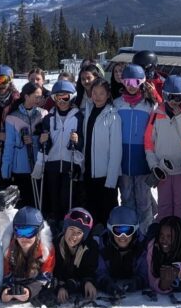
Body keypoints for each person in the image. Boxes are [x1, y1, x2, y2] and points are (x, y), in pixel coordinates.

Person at [145, 75, 181, 223]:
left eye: (178, 97)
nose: (173, 102)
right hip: (163, 170)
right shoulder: (156, 114)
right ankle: (164, 233)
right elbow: (148, 142)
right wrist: (154, 165)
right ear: (164, 95)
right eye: (170, 97)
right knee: (164, 206)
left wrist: (180, 117)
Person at [114, 64, 157, 233]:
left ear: (142, 82)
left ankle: (145, 234)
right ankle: (129, 233)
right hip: (123, 160)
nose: (131, 86)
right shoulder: (117, 104)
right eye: (128, 82)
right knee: (127, 199)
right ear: (123, 82)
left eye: (136, 82)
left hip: (142, 160)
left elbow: (156, 132)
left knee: (144, 201)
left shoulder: (149, 105)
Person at [38, 80, 85, 229]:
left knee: (67, 196)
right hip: (52, 162)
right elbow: (45, 141)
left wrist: (77, 141)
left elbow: (82, 142)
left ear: (72, 97)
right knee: (53, 194)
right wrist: (42, 141)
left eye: (65, 97)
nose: (61, 101)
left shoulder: (78, 116)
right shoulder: (49, 117)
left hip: (69, 162)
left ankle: (66, 223)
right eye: (57, 98)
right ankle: (54, 221)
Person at [81, 78, 122, 229]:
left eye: (101, 93)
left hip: (105, 175)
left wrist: (111, 179)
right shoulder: (88, 111)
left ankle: (108, 238)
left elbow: (116, 150)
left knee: (107, 212)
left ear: (108, 95)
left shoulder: (113, 116)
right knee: (92, 212)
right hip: (89, 171)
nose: (97, 97)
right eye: (95, 93)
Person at [1, 82, 47, 208]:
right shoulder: (12, 117)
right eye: (36, 96)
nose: (39, 99)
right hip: (20, 168)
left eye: (41, 96)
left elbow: (46, 139)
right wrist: (6, 171)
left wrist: (35, 140)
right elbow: (9, 146)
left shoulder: (43, 114)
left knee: (37, 201)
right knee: (22, 203)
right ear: (26, 96)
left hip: (38, 165)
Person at [1, 206, 55, 304]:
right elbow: (5, 274)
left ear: (38, 233)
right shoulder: (8, 249)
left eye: (29, 232)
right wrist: (5, 291)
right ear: (14, 233)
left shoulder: (46, 251)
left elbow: (45, 278)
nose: (24, 237)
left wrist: (29, 291)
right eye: (20, 232)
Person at [96, 206, 148, 297]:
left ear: (135, 230)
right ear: (110, 230)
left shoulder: (141, 248)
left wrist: (137, 282)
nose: (122, 236)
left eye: (128, 231)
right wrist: (107, 284)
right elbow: (99, 272)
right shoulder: (103, 247)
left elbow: (146, 273)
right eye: (118, 230)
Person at [52, 208, 99, 304]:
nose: (74, 236)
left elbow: (90, 270)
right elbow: (51, 273)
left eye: (79, 232)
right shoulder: (54, 246)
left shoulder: (90, 248)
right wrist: (59, 287)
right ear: (65, 229)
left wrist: (88, 281)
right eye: (71, 230)